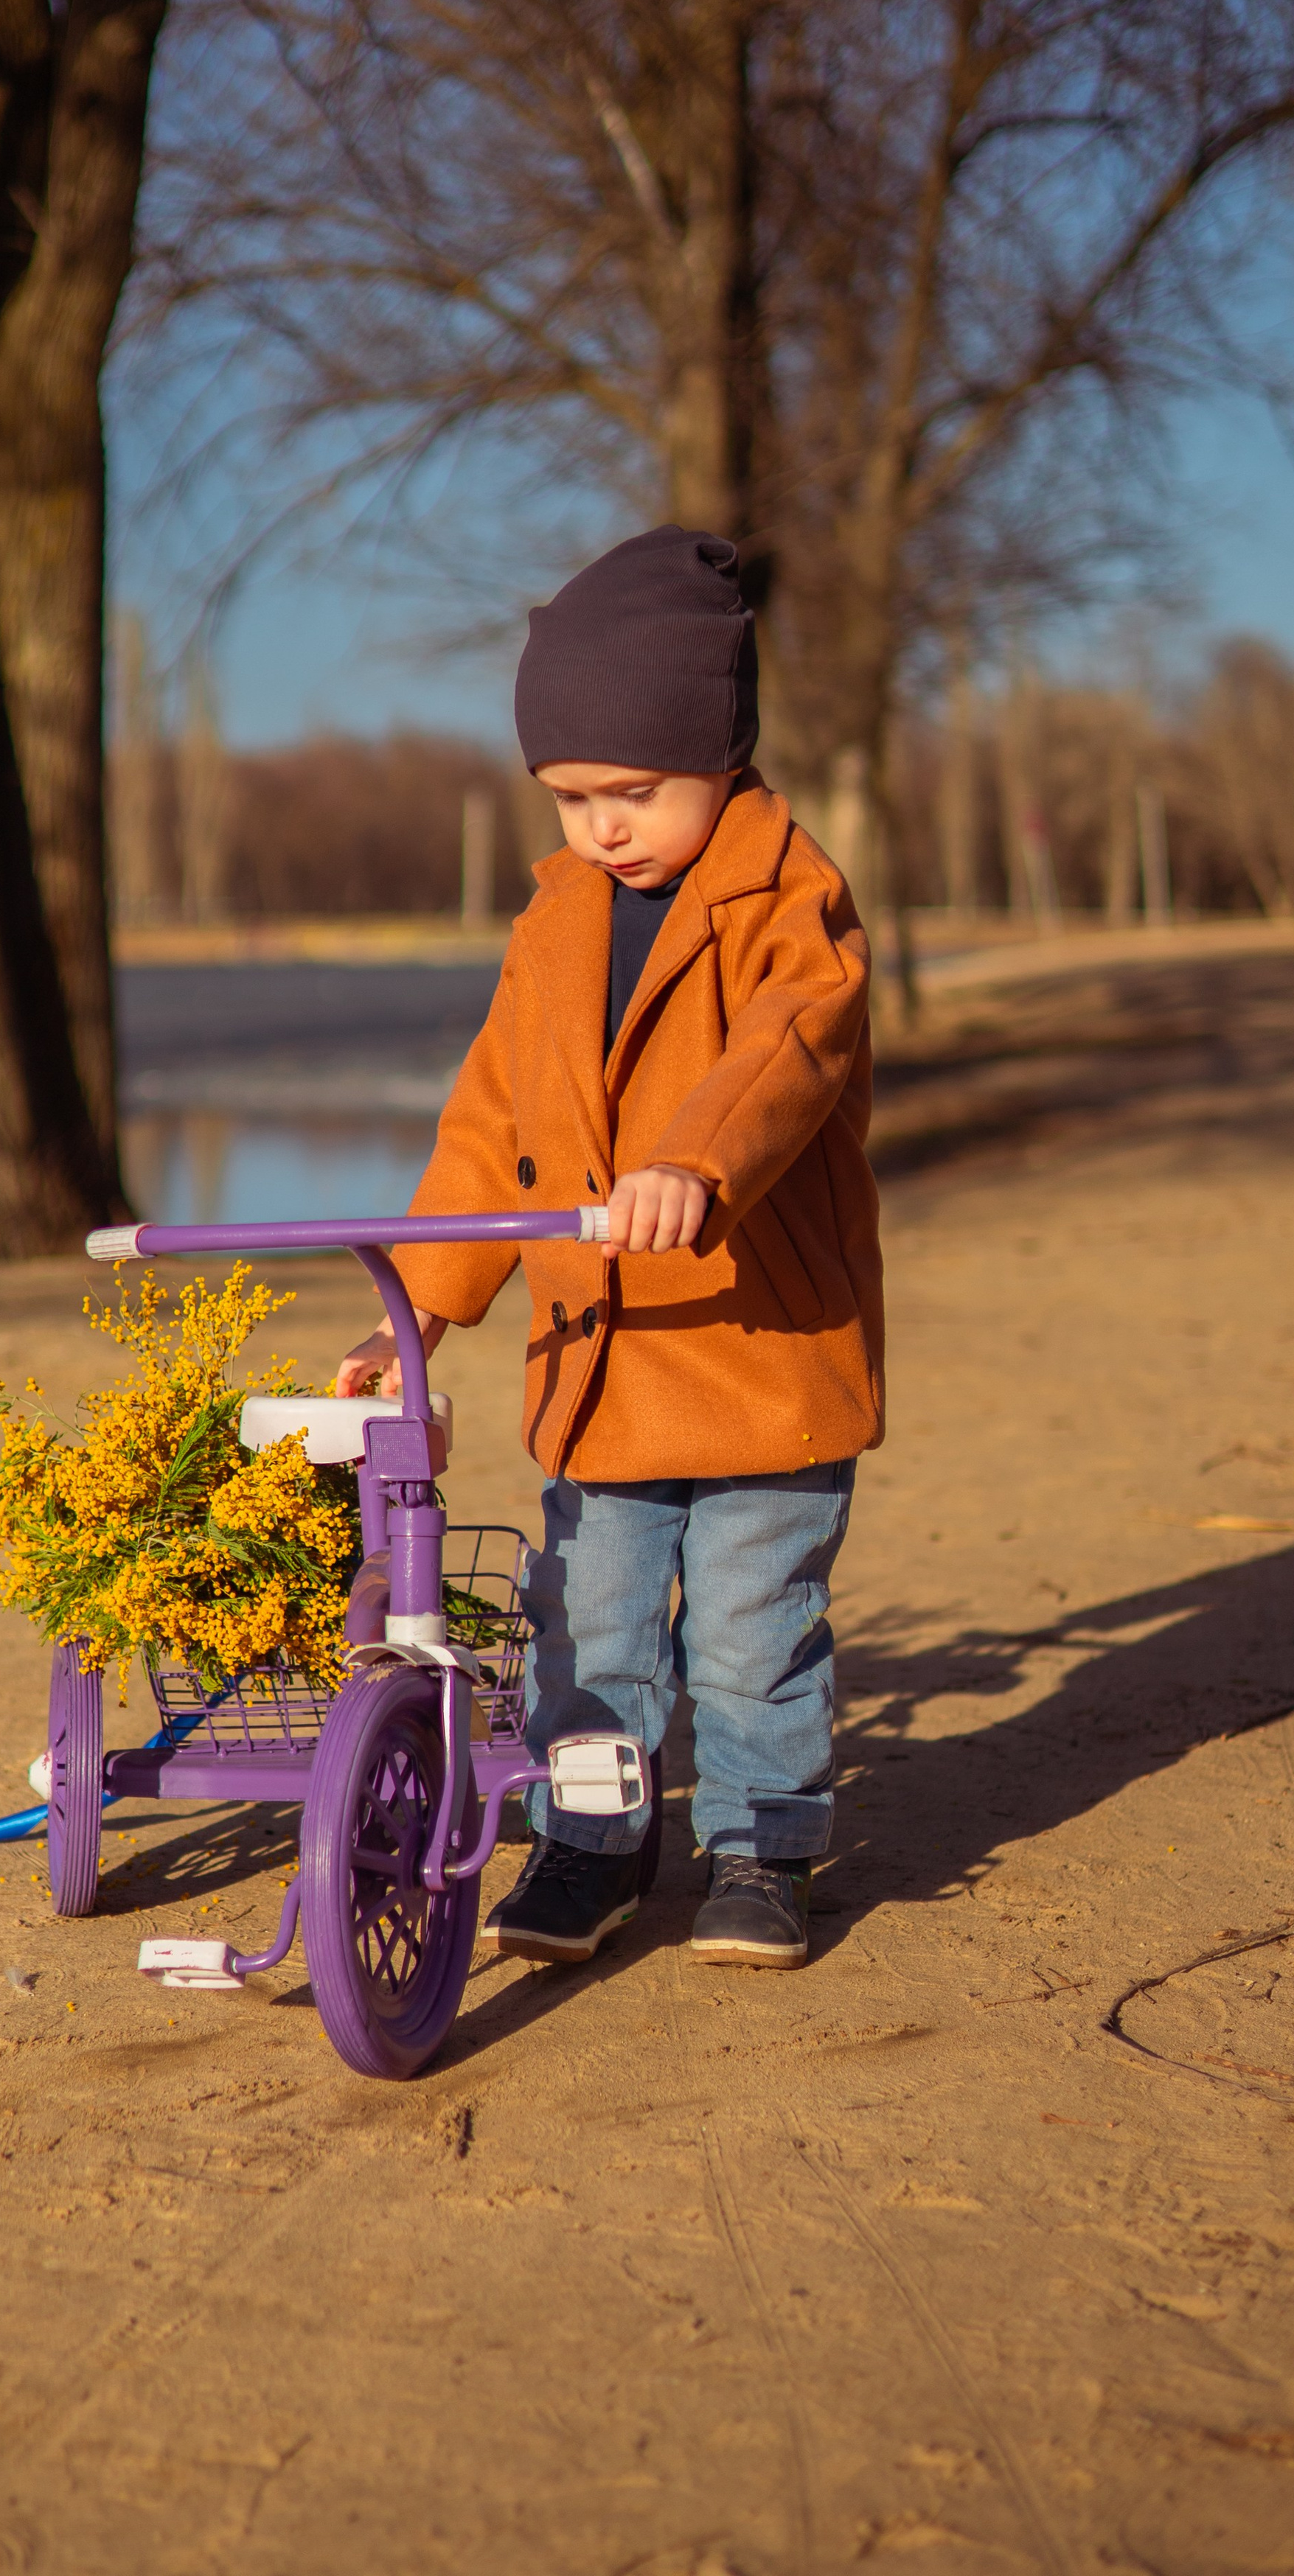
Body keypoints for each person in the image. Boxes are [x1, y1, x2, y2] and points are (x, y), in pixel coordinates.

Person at [335, 526, 884, 1969]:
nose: (603, 827)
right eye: (572, 797)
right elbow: (491, 1118)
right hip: (601, 1358)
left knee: (753, 1622)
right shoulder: (556, 922)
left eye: (633, 791)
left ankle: (761, 1845)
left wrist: (693, 1164)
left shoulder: (793, 901)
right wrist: (420, 1306)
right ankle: (590, 1836)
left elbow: (786, 1057)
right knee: (586, 1618)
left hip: (756, 1343)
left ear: (720, 750)